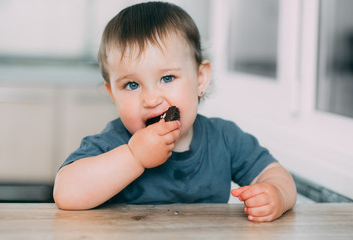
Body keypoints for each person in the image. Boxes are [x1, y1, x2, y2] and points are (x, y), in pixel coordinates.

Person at [53, 1, 296, 222]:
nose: (150, 98)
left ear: (200, 80)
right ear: (112, 93)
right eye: (132, 85)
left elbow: (274, 174)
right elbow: (65, 193)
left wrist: (276, 195)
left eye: (167, 78)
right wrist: (133, 156)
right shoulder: (114, 143)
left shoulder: (224, 138)